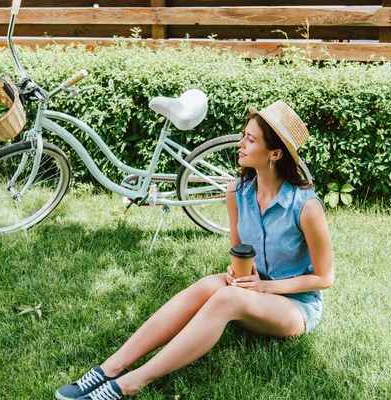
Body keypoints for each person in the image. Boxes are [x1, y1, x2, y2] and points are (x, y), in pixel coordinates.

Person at [55, 101, 335, 400]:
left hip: (295, 307)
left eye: (250, 140)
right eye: (243, 135)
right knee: (210, 285)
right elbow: (238, 252)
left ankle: (131, 383)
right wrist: (237, 273)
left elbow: (324, 278)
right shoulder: (236, 192)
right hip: (252, 292)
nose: (240, 144)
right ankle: (110, 368)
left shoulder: (305, 206)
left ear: (275, 154)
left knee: (226, 297)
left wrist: (264, 287)